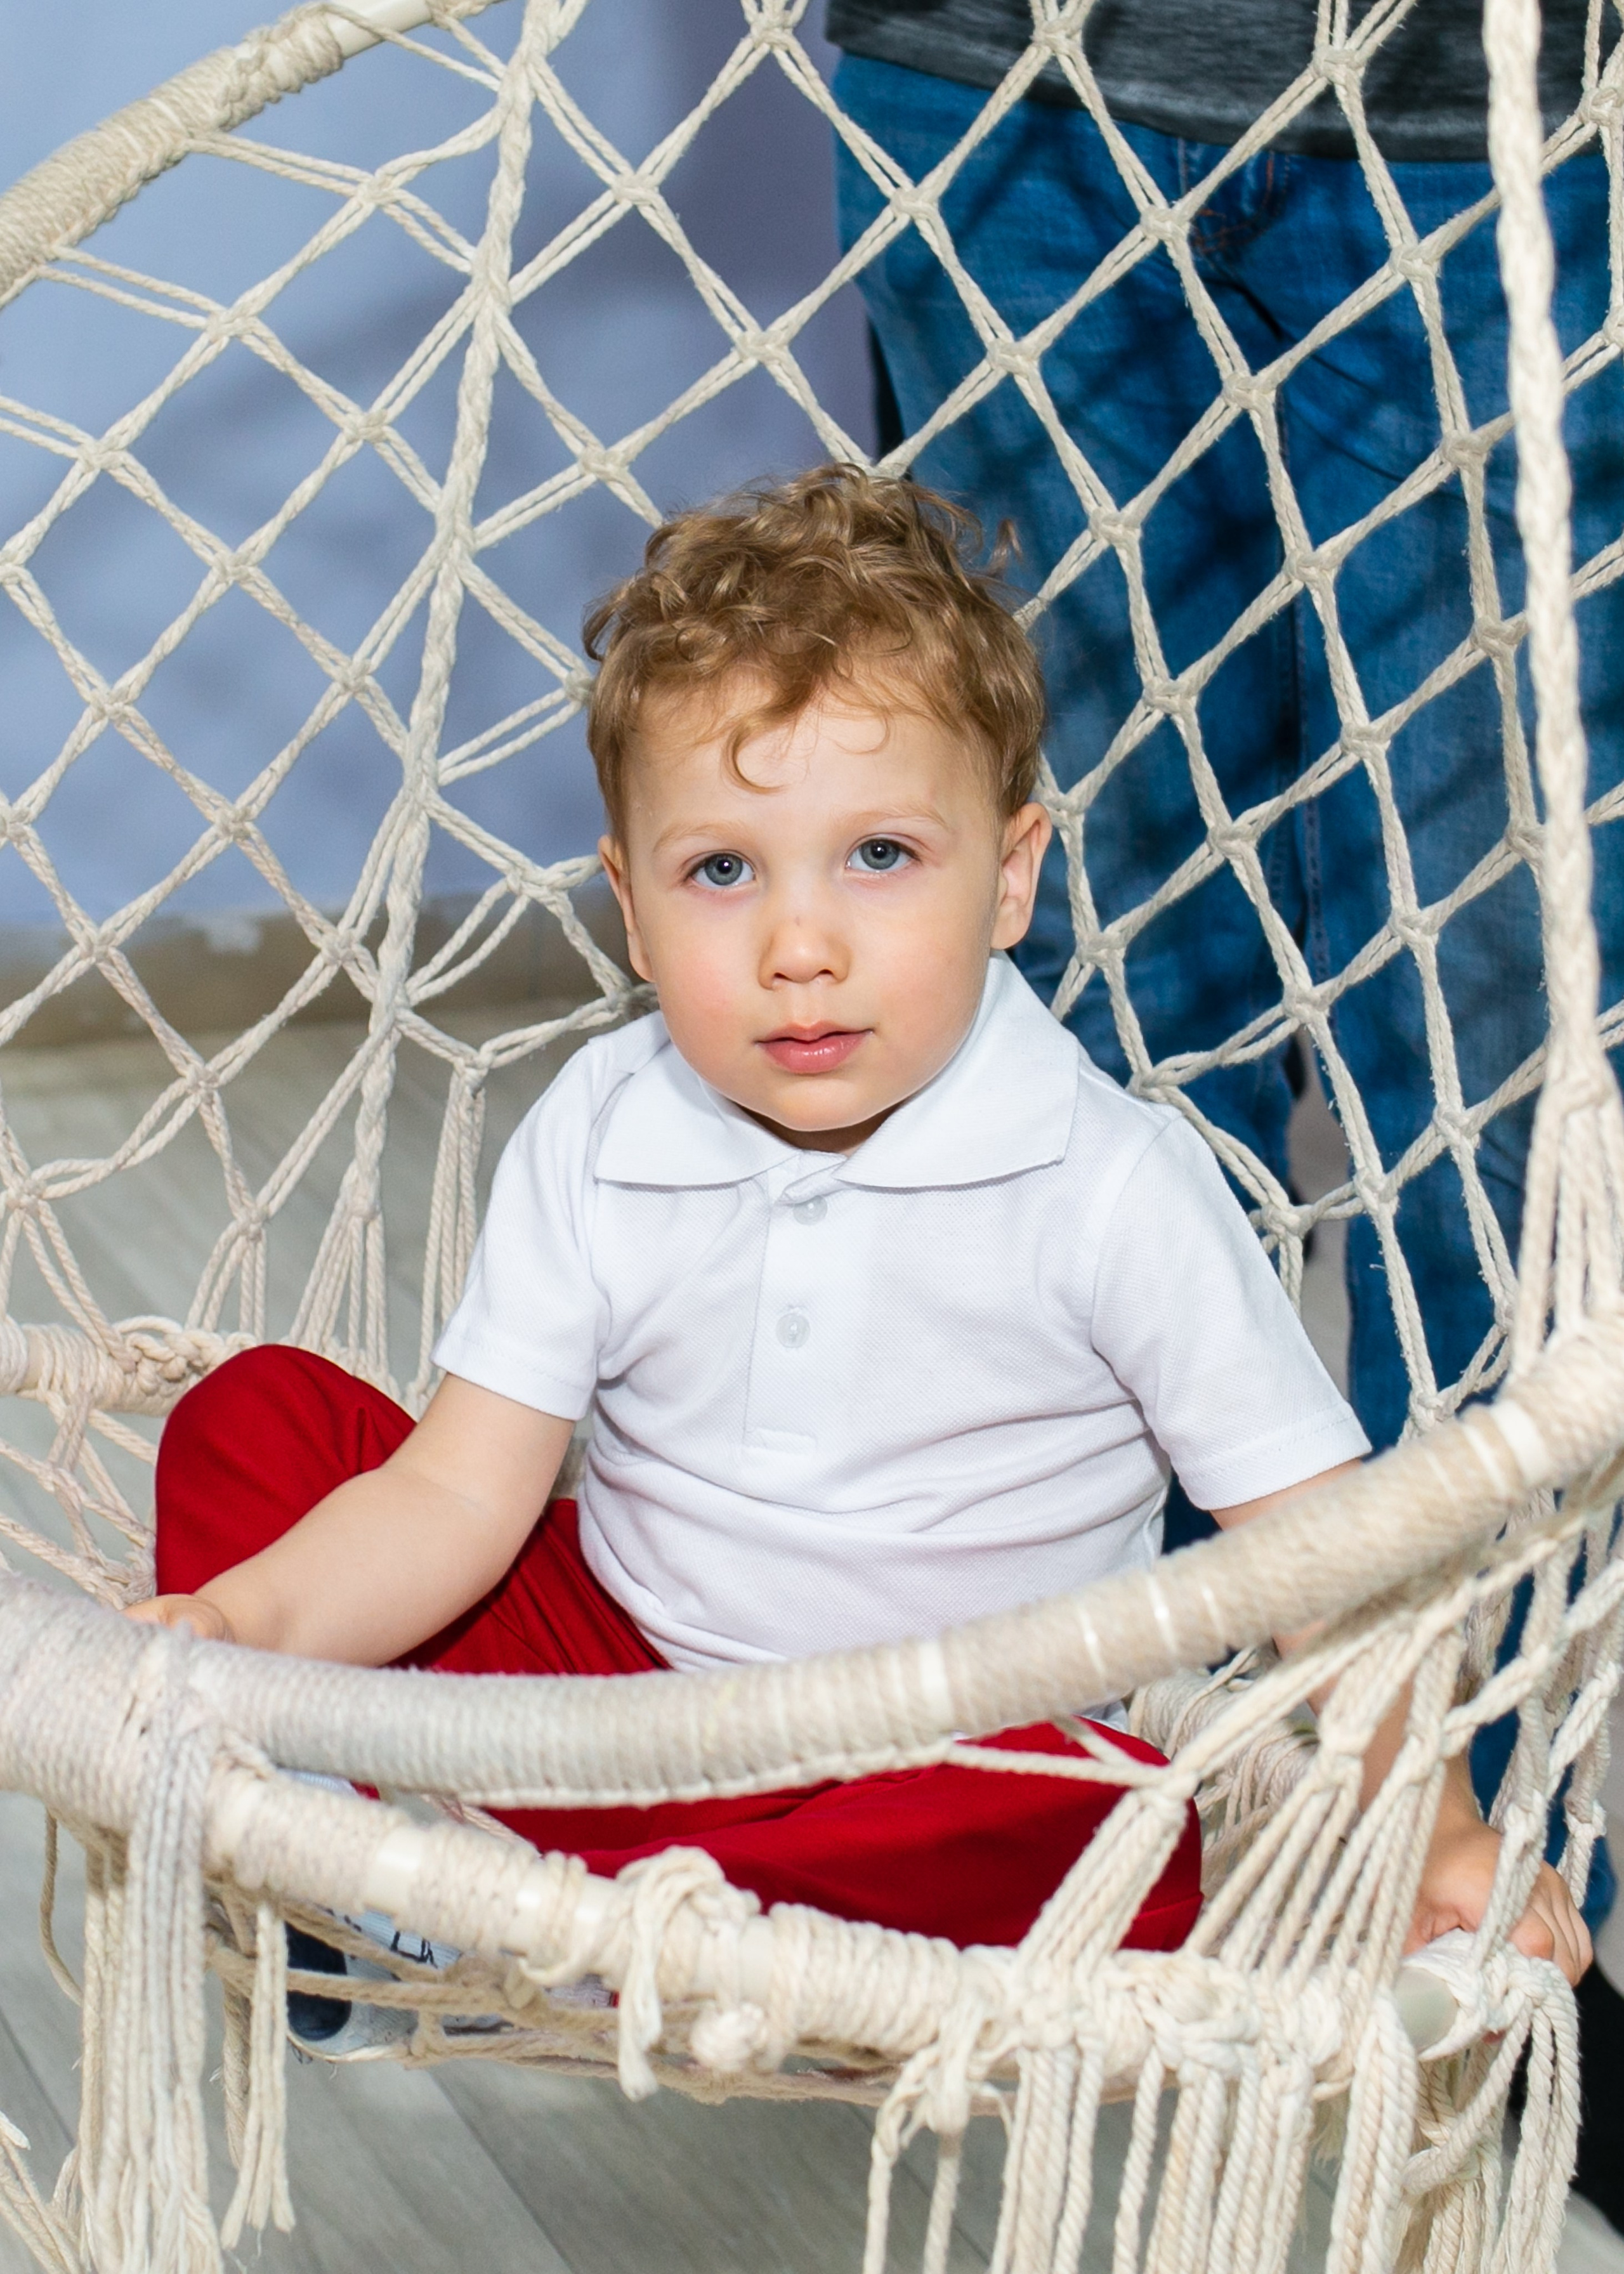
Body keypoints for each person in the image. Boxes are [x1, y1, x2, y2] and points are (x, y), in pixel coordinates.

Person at [127, 467, 1587, 1999]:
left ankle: (589, 1918)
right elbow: (453, 1497)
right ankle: (364, 1840)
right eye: (720, 872)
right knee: (259, 1420)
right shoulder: (605, 1125)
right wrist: (238, 1628)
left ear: (1010, 875)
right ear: (629, 910)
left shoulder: (1107, 1184)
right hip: (625, 1713)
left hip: (945, 1760)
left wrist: (1436, 1837)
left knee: (1097, 1822)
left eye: (879, 857)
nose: (799, 948)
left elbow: (1319, 1561)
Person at [820, 0, 1623, 2211]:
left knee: (1503, 1025)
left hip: (1499, 104)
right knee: (1104, 998)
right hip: (995, 77)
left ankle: (1504, 1875)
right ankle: (1191, 1814)